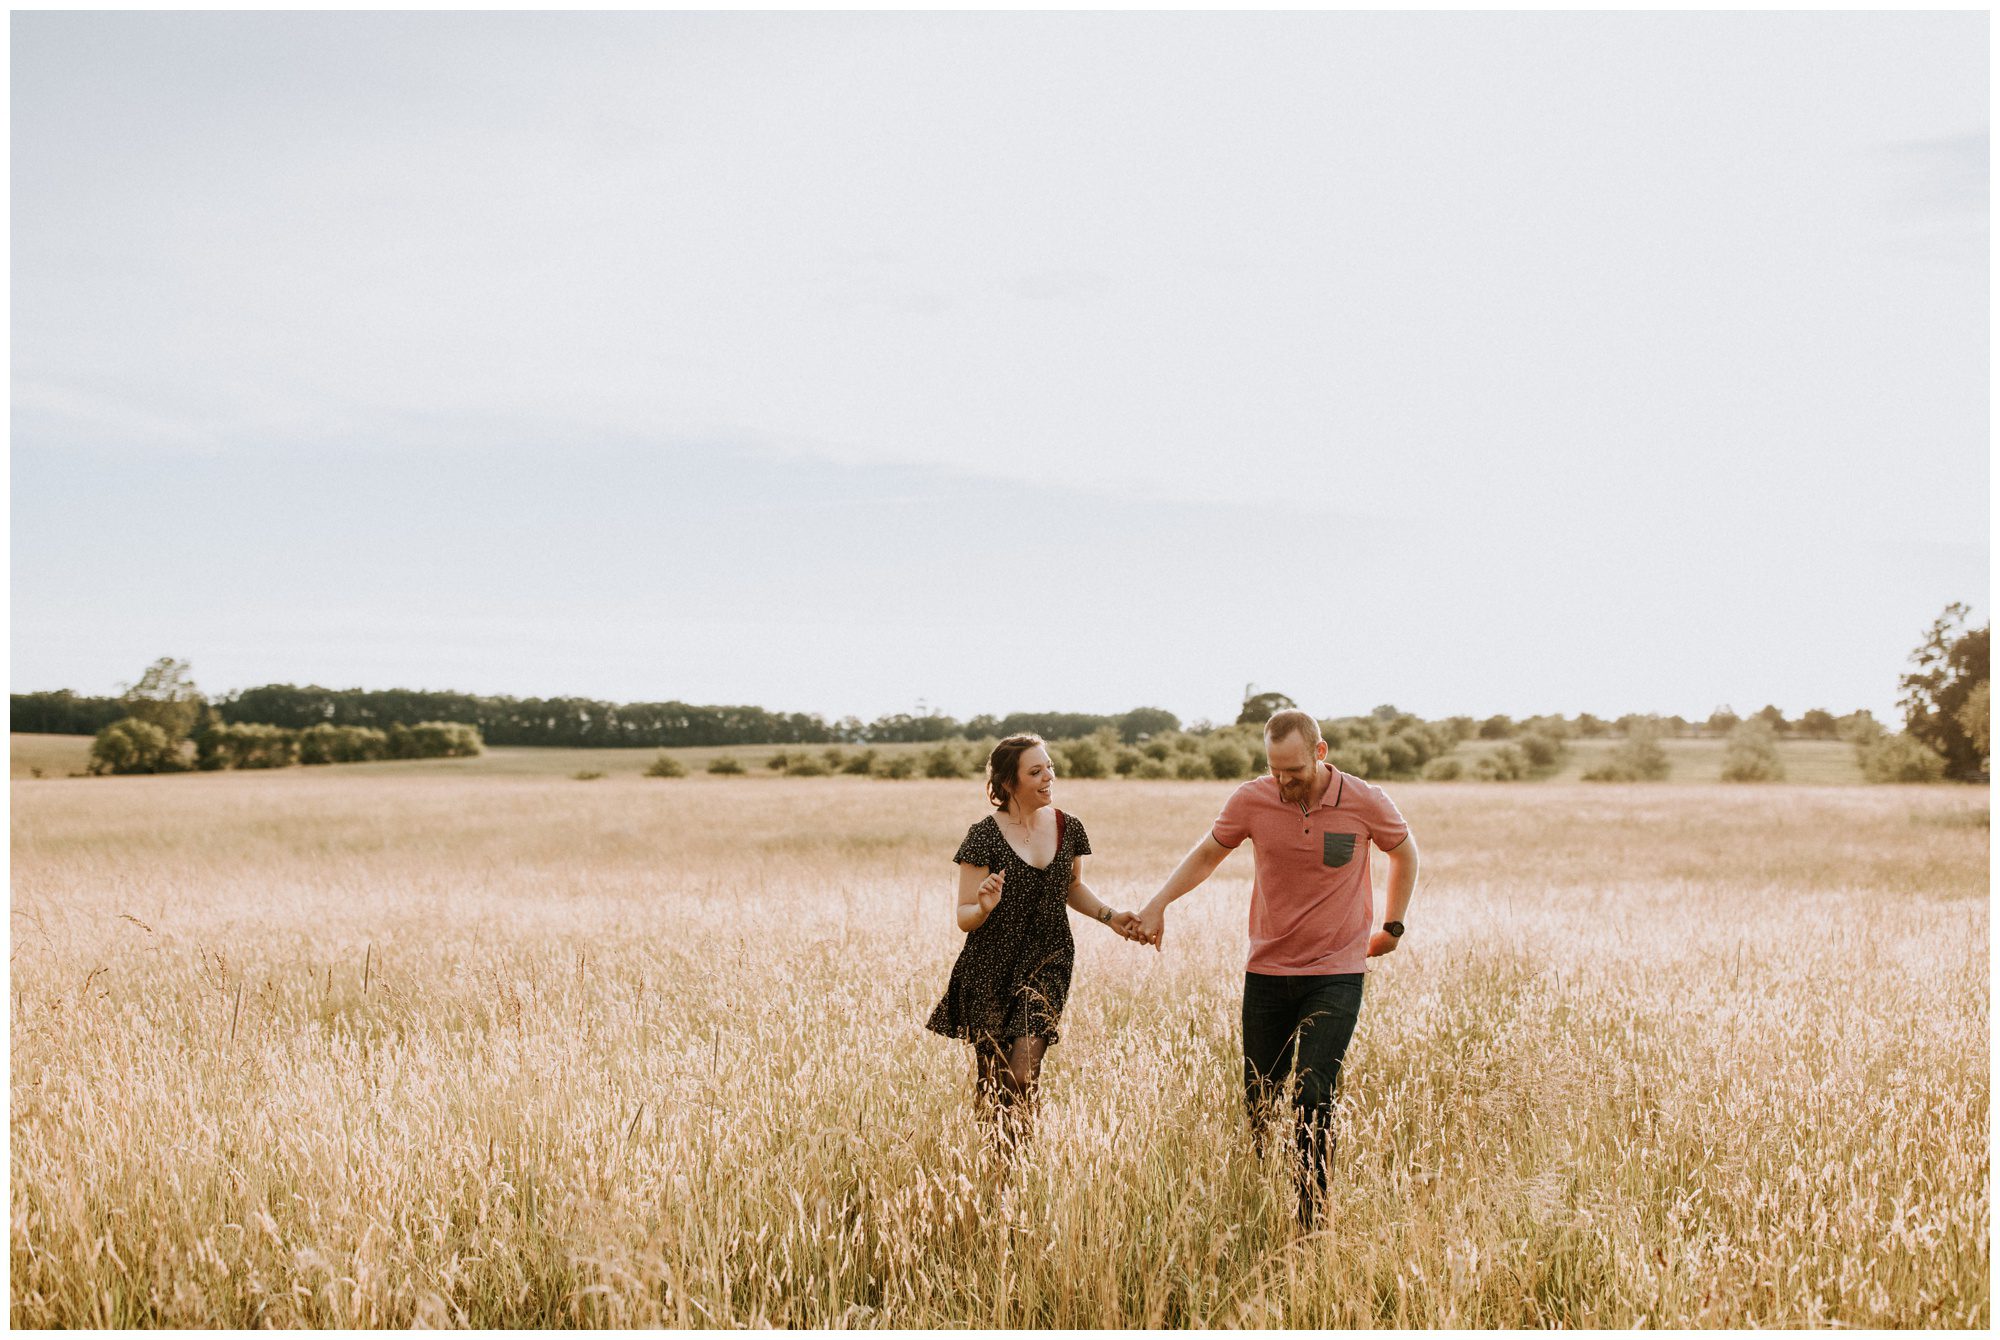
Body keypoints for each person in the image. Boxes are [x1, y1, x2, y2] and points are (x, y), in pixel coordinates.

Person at [1135, 708, 1420, 1228]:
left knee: (1313, 1092)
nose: (1284, 782)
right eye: (1275, 771)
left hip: (1337, 970)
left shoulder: (1364, 800)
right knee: (1260, 1096)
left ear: (1320, 752)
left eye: (1294, 771)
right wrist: (1158, 905)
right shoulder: (1252, 799)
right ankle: (1258, 1191)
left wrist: (1392, 927)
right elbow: (1206, 855)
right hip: (1267, 969)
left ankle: (1311, 1217)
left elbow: (1406, 853)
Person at [926, 733, 1147, 1150]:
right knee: (993, 1079)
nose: (1050, 777)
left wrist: (1111, 916)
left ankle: (1021, 1160)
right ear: (1009, 783)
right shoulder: (983, 836)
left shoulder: (1068, 827)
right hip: (988, 966)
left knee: (1024, 1073)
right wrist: (985, 907)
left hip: (1049, 960)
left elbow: (1071, 887)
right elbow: (963, 917)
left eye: (1049, 767)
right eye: (1036, 771)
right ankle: (998, 1169)